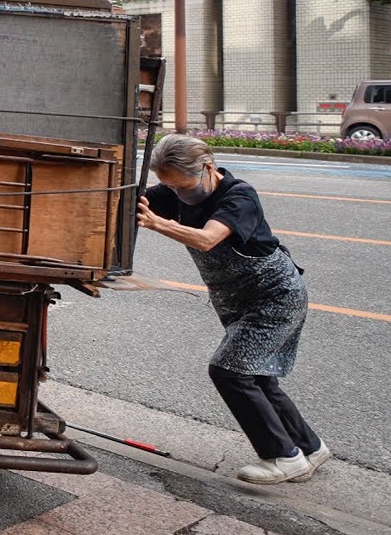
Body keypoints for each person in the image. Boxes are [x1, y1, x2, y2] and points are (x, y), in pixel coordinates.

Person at [136, 134, 328, 485]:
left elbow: (208, 238)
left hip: (274, 297)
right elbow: (134, 204)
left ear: (208, 168)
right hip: (237, 299)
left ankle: (283, 457)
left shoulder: (240, 196)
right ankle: (309, 447)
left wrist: (157, 223)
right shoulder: (172, 192)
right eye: (171, 186)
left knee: (228, 371)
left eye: (185, 185)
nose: (179, 194)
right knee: (256, 375)